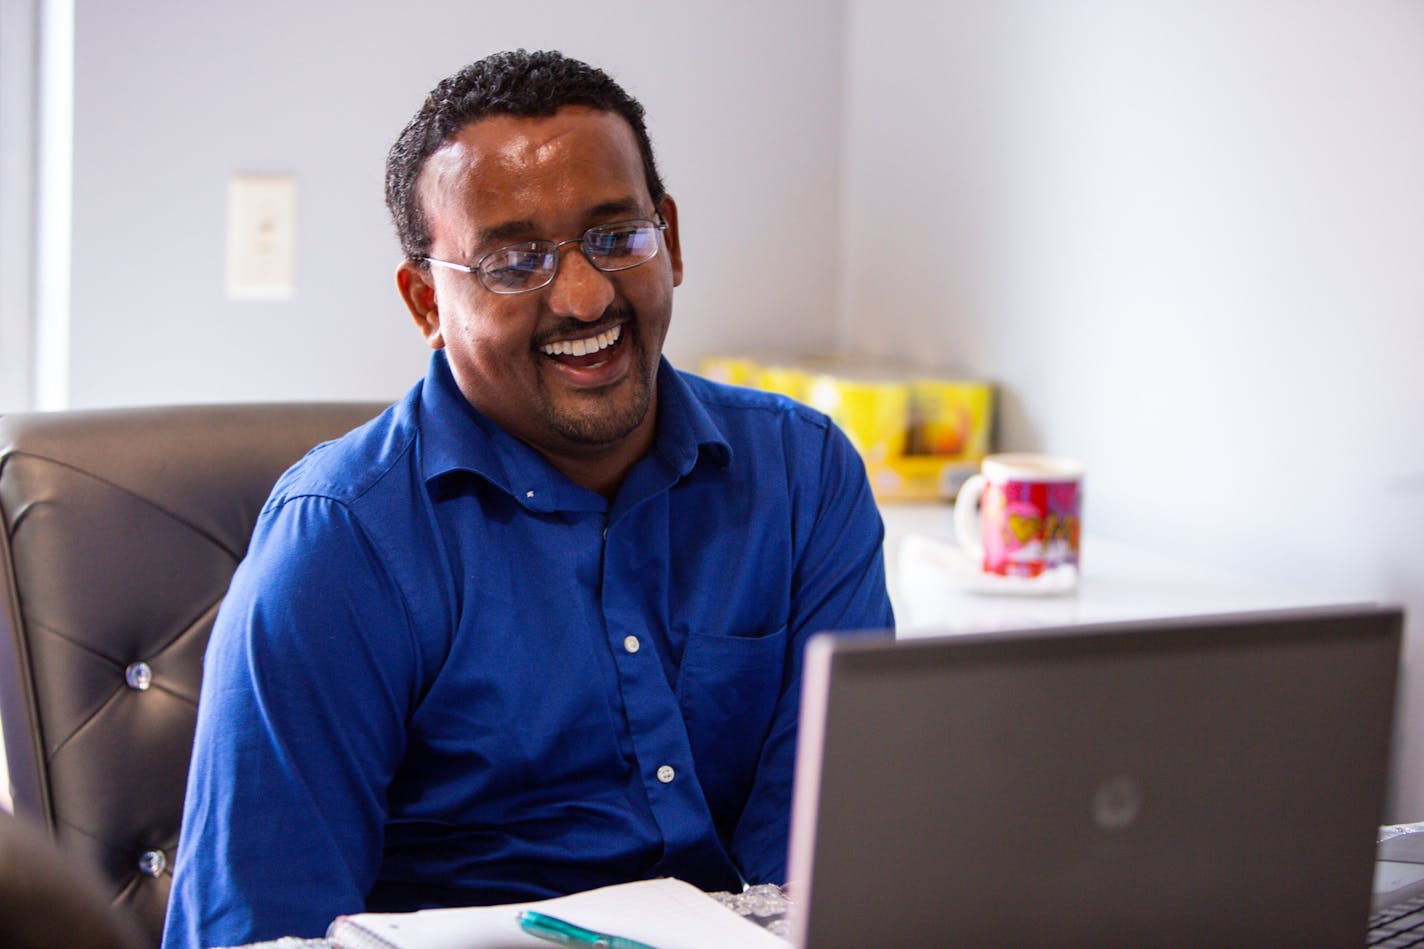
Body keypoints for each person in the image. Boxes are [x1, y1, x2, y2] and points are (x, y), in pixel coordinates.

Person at [162, 49, 893, 948]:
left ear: (670, 235)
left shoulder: (803, 476)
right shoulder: (339, 544)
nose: (586, 298)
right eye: (515, 261)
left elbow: (816, 883)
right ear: (427, 301)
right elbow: (255, 933)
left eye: (617, 236)